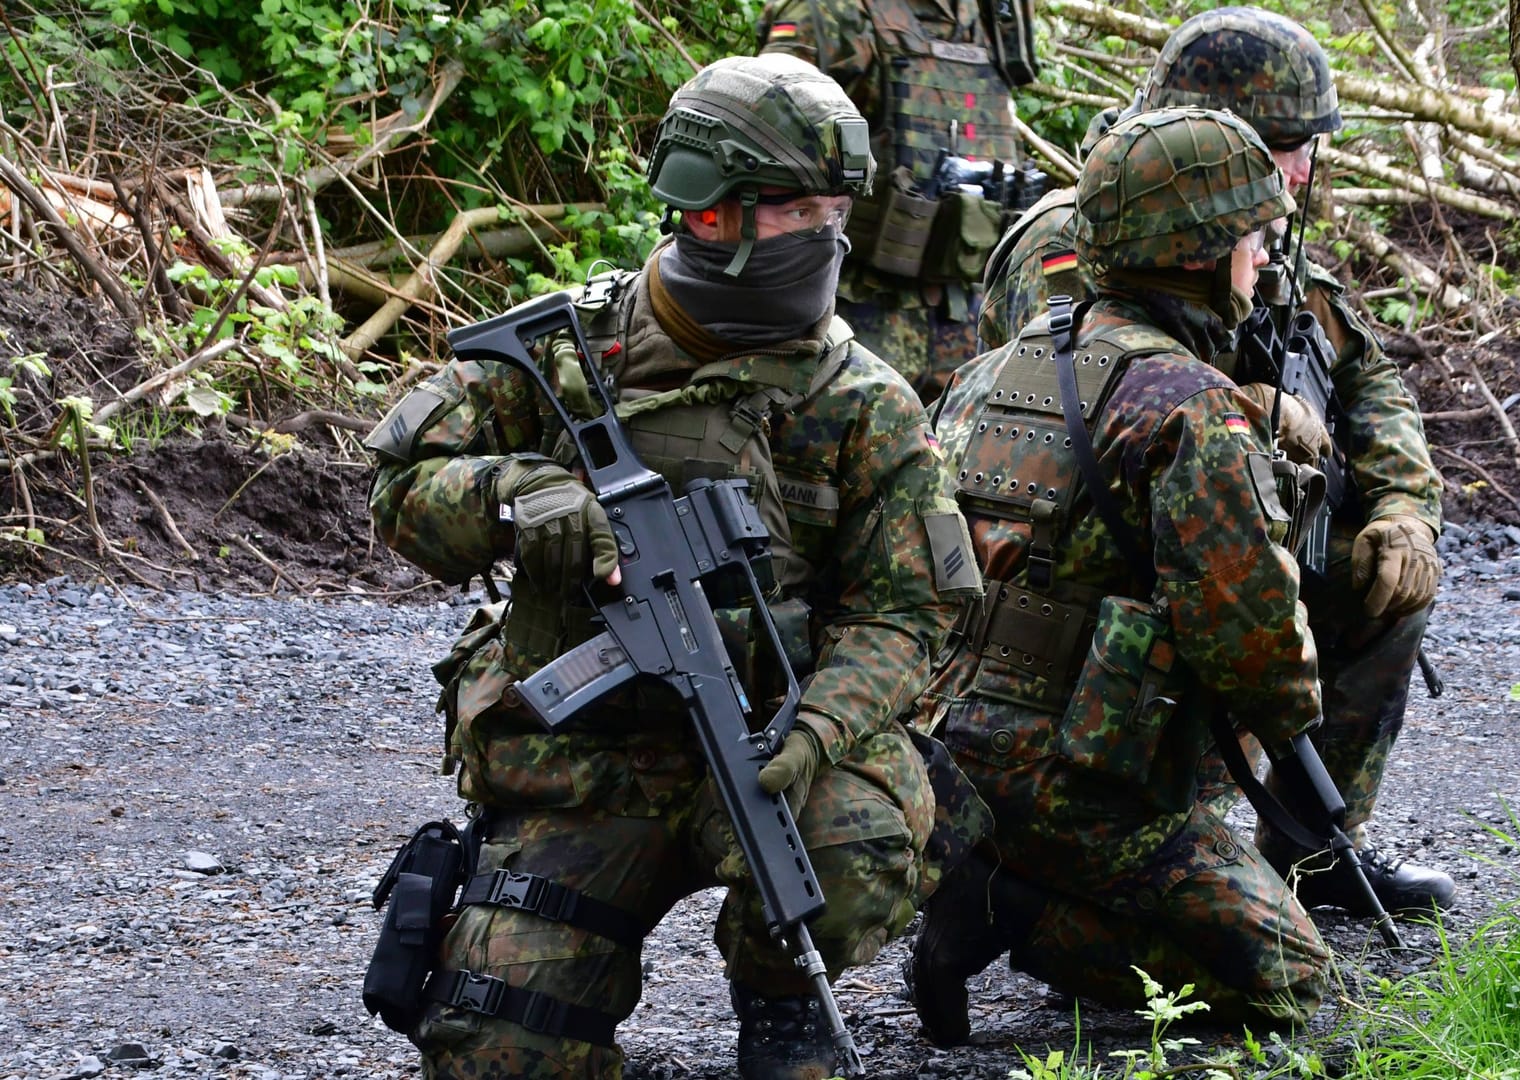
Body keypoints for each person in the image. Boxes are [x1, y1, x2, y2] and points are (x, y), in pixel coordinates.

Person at [363, 53, 980, 1080]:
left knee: (854, 838)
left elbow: (909, 614)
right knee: (498, 1056)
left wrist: (820, 726)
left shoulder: (862, 400)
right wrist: (519, 495)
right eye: (795, 210)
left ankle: (786, 1002)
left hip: (769, 752)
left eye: (835, 210)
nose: (825, 234)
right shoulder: (566, 351)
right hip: (588, 766)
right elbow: (398, 492)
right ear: (709, 213)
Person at [975, 6, 1452, 917]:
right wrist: (1245, 406)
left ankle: (1311, 851)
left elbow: (1363, 369)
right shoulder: (1073, 236)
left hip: (1220, 521)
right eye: (1283, 143)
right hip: (1102, 561)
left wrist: (1403, 507)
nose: (1304, 168)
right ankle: (1078, 861)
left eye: (1307, 145)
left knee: (1381, 569)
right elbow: (1056, 400)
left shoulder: (1247, 223)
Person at [907, 106, 1331, 1047]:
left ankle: (988, 875)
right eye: (1251, 239)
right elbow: (1255, 648)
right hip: (1083, 778)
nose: (1263, 260)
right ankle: (1008, 911)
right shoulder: (1192, 407)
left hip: (941, 755)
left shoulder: (986, 373)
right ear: (1195, 251)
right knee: (1292, 986)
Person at [756, 0, 1029, 403]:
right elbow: (759, 141)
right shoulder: (830, 13)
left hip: (973, 316)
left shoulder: (994, 15)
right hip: (859, 318)